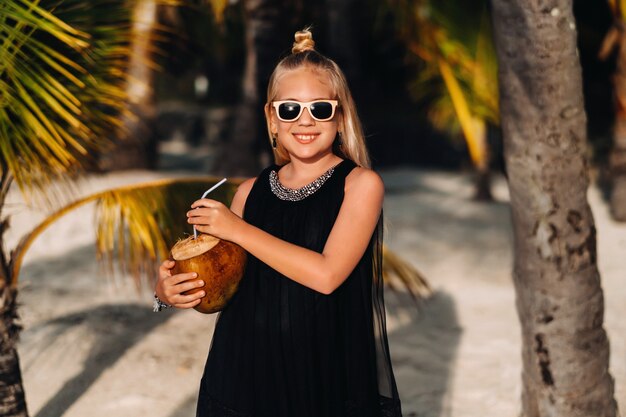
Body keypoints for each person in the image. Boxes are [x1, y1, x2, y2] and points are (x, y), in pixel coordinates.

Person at [155, 28, 402, 417]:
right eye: (289, 109)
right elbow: (226, 285)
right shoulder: (247, 193)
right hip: (240, 375)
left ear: (340, 115)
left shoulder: (360, 185)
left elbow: (327, 275)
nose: (305, 121)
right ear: (272, 118)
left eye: (320, 108)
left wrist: (237, 230)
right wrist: (169, 289)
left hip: (319, 379)